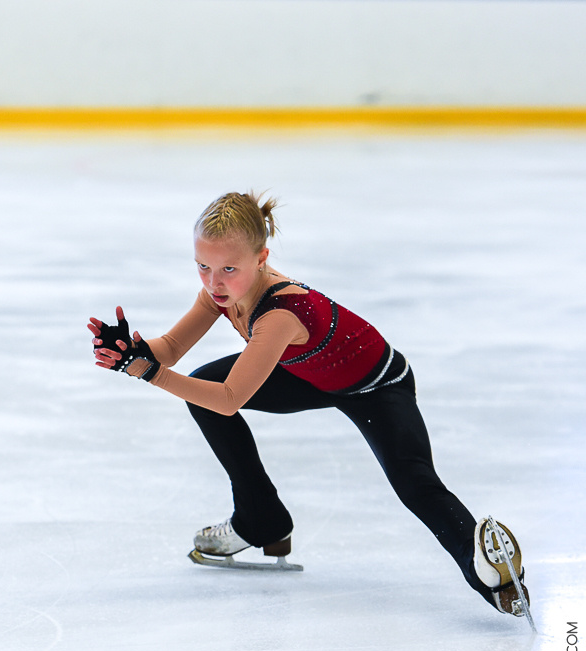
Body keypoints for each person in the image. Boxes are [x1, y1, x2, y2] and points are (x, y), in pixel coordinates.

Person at [88, 190, 531, 619]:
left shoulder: (280, 314)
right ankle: (261, 519)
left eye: (228, 268)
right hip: (310, 375)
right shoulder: (220, 294)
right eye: (203, 266)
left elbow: (229, 399)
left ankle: (492, 579)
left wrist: (149, 373)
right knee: (200, 388)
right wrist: (132, 349)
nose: (214, 281)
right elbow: (170, 349)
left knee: (415, 484)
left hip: (377, 386)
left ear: (261, 259)